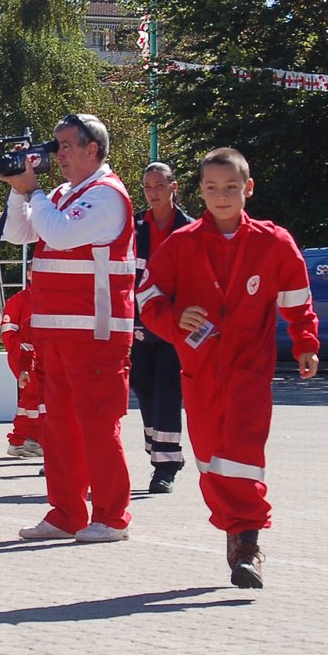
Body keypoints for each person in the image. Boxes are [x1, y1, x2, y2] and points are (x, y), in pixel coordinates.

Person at [138, 147, 320, 589]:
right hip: (198, 372)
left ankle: (248, 544)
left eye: (231, 188)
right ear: (200, 191)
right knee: (210, 461)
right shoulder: (181, 244)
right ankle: (233, 527)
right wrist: (173, 317)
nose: (222, 196)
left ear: (248, 189)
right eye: (213, 188)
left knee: (243, 456)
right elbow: (147, 298)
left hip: (250, 372)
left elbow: (297, 298)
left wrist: (305, 344)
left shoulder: (273, 242)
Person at [1, 112, 136, 544]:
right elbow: (18, 232)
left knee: (97, 426)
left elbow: (59, 235)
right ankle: (66, 513)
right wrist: (17, 188)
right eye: (56, 144)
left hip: (96, 331)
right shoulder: (61, 192)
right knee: (58, 427)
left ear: (91, 149)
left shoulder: (107, 195)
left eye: (64, 145)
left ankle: (112, 517)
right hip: (57, 331)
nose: (55, 154)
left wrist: (33, 191)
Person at [131, 162, 194, 492]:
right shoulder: (134, 227)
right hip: (139, 324)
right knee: (143, 390)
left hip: (175, 325)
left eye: (158, 185)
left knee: (168, 392)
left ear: (174, 187)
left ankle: (165, 466)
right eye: (147, 186)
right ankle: (161, 450)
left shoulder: (189, 230)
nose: (152, 192)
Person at [0, 287, 44, 458]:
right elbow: (8, 333)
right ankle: (31, 439)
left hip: (35, 358)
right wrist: (23, 359)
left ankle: (22, 440)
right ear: (29, 274)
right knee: (34, 398)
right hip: (25, 357)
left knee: (30, 400)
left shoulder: (48, 296)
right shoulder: (19, 300)